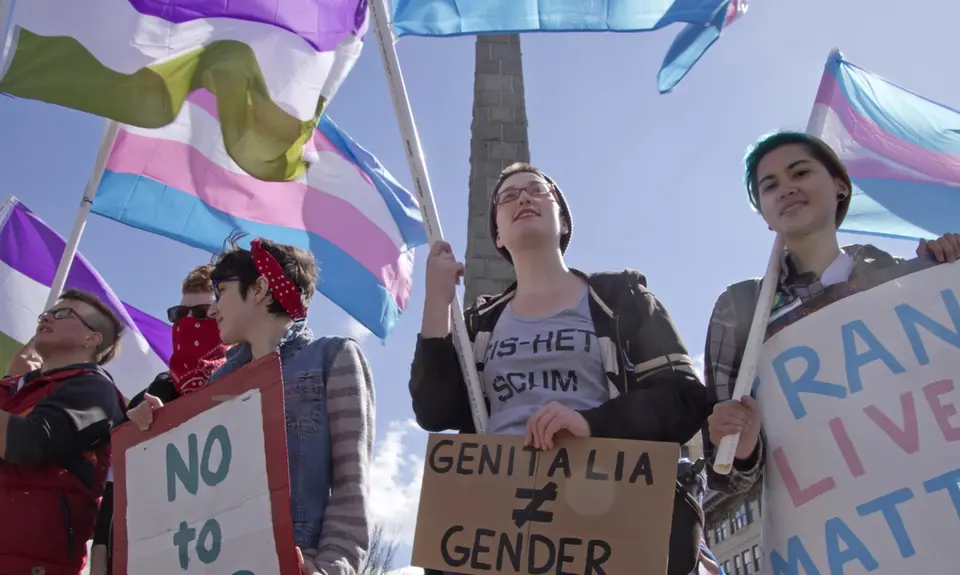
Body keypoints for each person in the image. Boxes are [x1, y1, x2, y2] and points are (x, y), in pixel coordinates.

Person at [410, 162, 709, 575]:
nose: (523, 198)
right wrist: (436, 303)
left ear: (563, 220)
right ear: (497, 234)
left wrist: (591, 423)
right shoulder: (479, 324)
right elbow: (434, 411)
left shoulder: (623, 300)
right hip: (497, 531)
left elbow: (685, 399)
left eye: (537, 190)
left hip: (603, 518)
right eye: (507, 197)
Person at [702, 131, 960, 495]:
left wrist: (947, 272)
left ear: (840, 186)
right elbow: (728, 479)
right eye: (770, 186)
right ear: (764, 214)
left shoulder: (906, 280)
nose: (786, 189)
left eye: (800, 173)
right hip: (831, 521)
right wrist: (740, 450)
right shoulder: (739, 307)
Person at [207, 235, 375, 575]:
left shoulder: (333, 357)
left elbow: (350, 484)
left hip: (298, 562)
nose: (213, 308)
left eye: (220, 291)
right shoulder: (217, 384)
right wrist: (156, 428)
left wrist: (330, 568)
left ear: (259, 288)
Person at [89, 264, 228, 575]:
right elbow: (115, 489)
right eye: (180, 314)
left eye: (202, 313)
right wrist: (101, 551)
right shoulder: (152, 393)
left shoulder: (247, 381)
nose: (188, 323)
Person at [0, 289, 126, 575]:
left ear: (92, 339)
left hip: (33, 561)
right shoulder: (13, 388)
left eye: (63, 313)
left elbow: (30, 441)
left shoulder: (95, 389)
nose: (46, 317)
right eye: (48, 313)